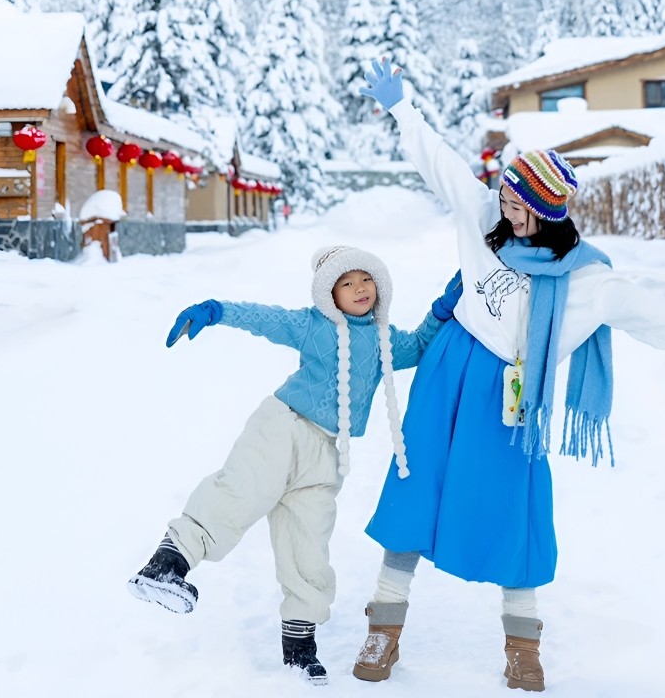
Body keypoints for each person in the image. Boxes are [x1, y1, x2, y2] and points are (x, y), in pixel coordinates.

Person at [350, 58, 665, 692]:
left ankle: (523, 645)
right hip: (446, 375)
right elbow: (444, 167)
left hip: (510, 401)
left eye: (519, 204)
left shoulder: (586, 279)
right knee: (414, 488)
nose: (506, 209)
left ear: (546, 210)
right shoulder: (486, 227)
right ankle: (385, 624)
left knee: (515, 508)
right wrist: (403, 109)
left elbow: (645, 311)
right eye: (506, 198)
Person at [126, 244, 461, 686]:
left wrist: (441, 310)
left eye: (366, 280)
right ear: (329, 295)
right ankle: (166, 567)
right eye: (347, 283)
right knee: (239, 494)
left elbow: (418, 346)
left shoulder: (385, 340)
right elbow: (263, 318)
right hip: (283, 428)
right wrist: (216, 311)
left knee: (309, 545)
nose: (360, 288)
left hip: (327, 453)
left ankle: (299, 647)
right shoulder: (312, 325)